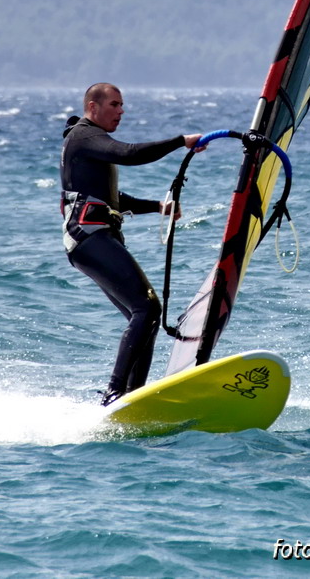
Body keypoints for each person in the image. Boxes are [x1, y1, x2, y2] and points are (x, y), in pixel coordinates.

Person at [60, 82, 202, 405]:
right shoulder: (84, 136)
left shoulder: (90, 143)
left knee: (146, 315)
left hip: (95, 237)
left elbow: (112, 198)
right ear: (93, 108)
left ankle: (132, 397)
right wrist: (180, 142)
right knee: (146, 308)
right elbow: (130, 154)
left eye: (122, 105)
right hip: (89, 238)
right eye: (114, 105)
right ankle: (115, 392)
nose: (121, 111)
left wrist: (157, 207)